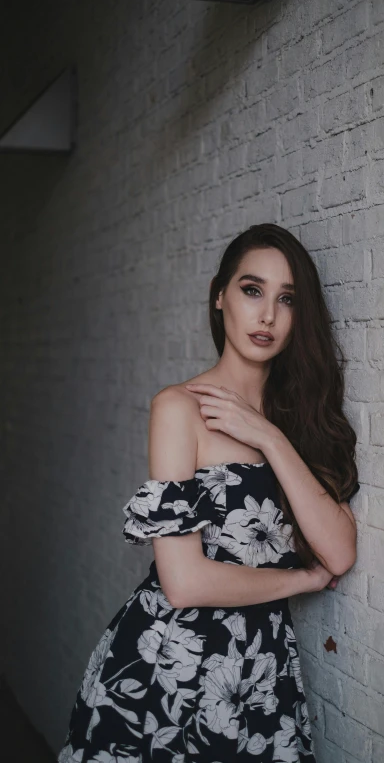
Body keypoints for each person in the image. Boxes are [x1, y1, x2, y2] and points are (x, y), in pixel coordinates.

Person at [58, 223, 359, 762]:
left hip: (261, 672)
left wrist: (267, 434)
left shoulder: (302, 422)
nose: (267, 314)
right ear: (220, 296)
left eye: (286, 299)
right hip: (170, 667)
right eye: (252, 290)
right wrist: (300, 579)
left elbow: (339, 551)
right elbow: (184, 582)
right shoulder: (179, 409)